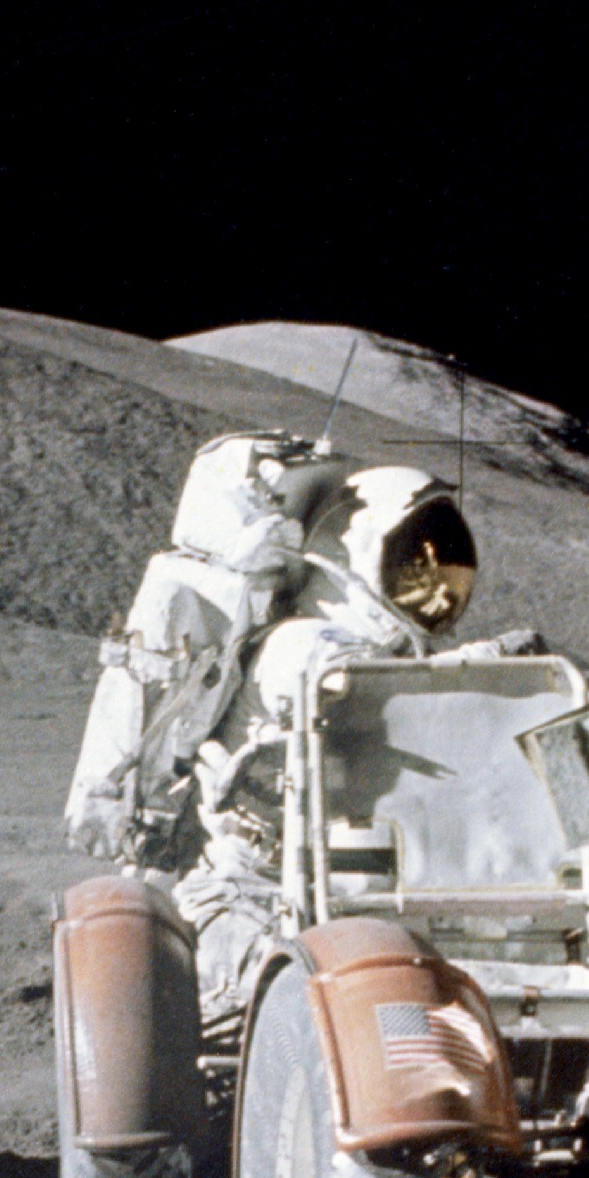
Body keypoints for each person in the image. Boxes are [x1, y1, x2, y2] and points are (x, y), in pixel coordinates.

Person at [62, 432, 481, 1030]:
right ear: (355, 554)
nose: (436, 584)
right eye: (414, 565)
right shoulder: (302, 645)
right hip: (259, 901)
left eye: (444, 569)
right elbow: (348, 683)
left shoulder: (374, 652)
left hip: (350, 888)